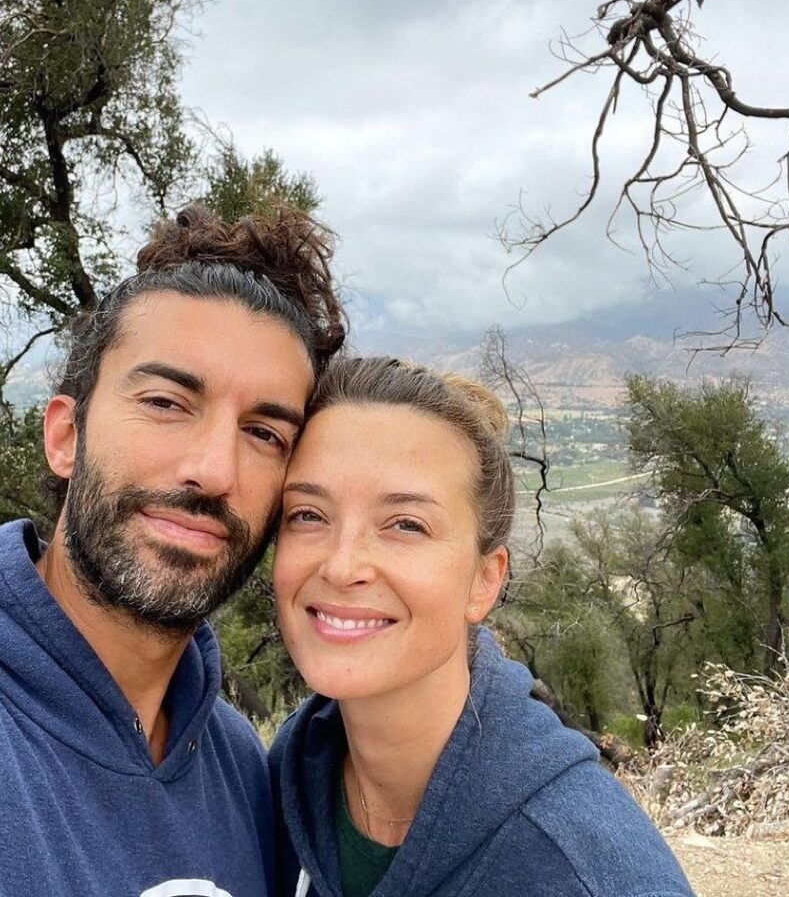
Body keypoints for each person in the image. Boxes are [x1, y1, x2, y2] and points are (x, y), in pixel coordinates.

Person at [0, 205, 345, 897]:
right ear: (66, 437)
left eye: (265, 434)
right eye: (167, 402)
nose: (214, 471)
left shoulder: (240, 770)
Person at [270, 357, 695, 897]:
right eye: (308, 514)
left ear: (484, 582)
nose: (342, 565)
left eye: (406, 524)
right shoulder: (291, 780)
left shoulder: (583, 865)